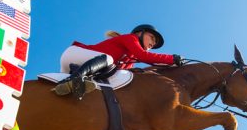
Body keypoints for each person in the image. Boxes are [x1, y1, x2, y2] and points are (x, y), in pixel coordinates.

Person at [52, 24, 184, 98]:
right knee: (108, 60)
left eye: (154, 43)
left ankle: (71, 84)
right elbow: (145, 57)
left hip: (78, 66)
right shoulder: (130, 38)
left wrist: (171, 65)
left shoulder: (130, 60)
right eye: (152, 38)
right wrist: (172, 58)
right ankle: (73, 80)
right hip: (74, 55)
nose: (153, 44)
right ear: (140, 33)